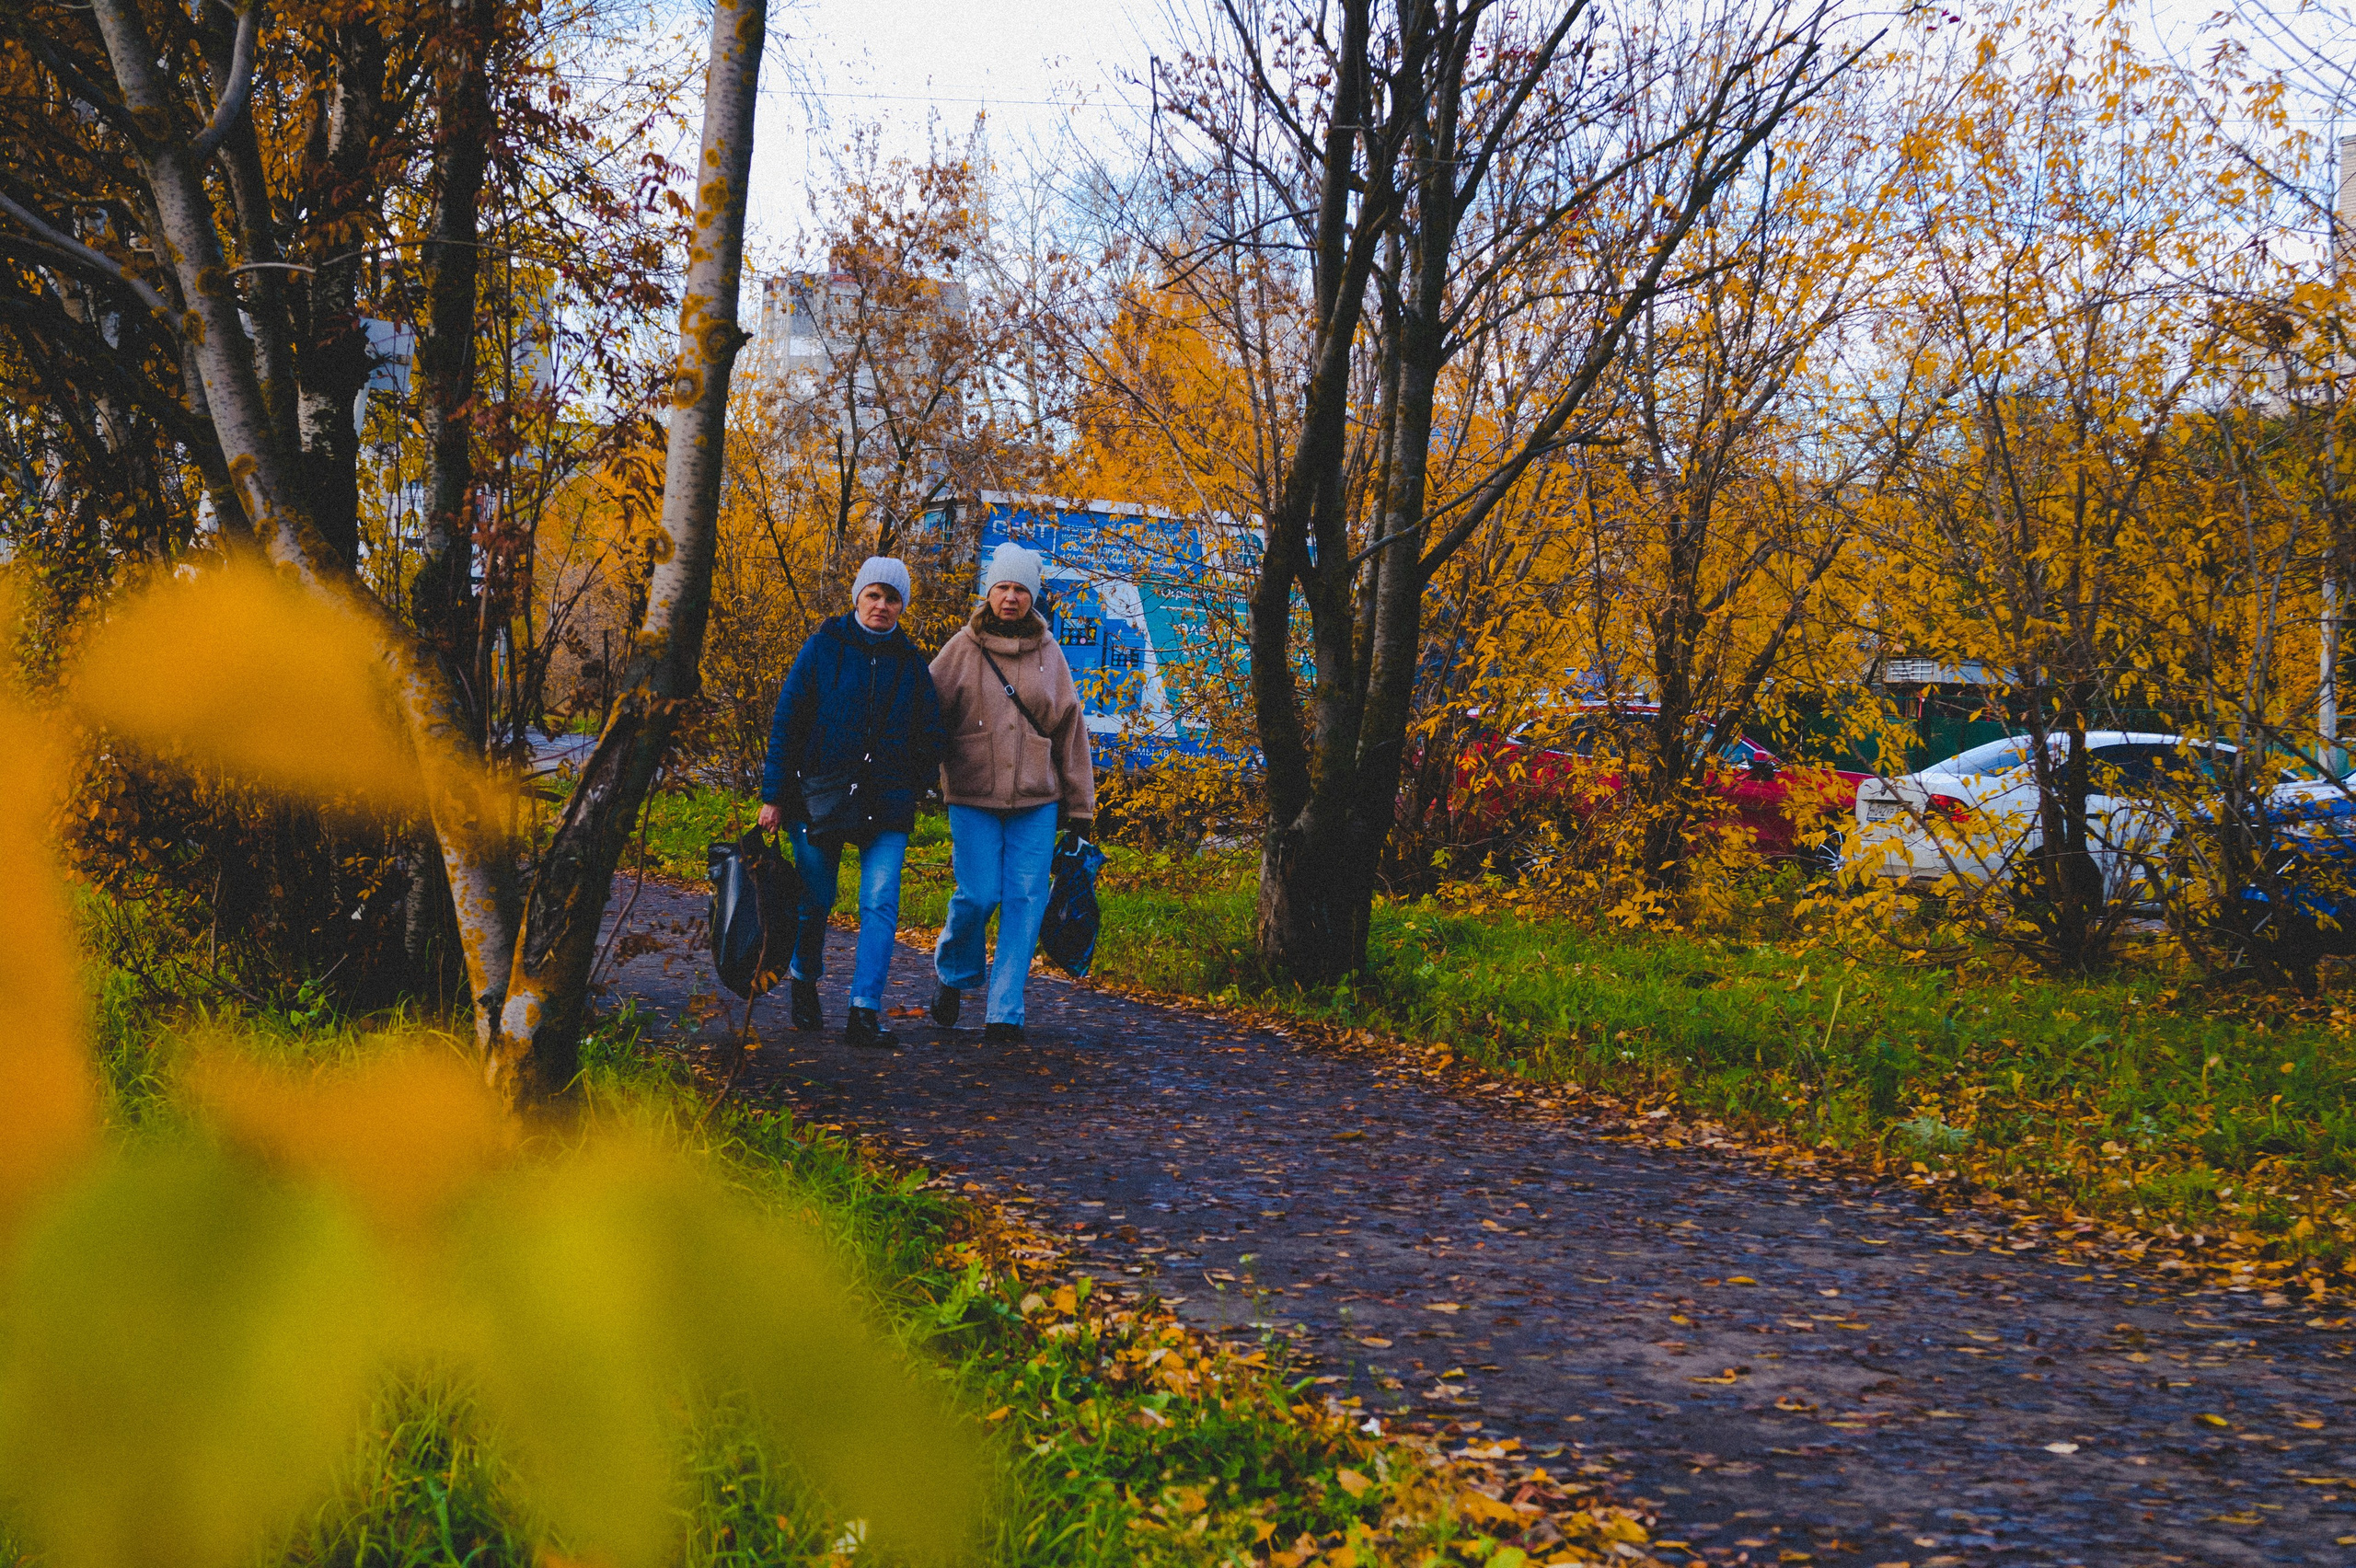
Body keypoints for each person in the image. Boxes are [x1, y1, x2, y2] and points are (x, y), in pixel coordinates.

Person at [757, 557, 943, 1048]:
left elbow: (931, 733)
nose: (882, 606)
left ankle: (864, 1009)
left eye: (892, 598)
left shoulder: (911, 663)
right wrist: (774, 796)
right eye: (874, 595)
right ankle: (804, 975)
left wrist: (917, 784)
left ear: (903, 604)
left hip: (887, 805)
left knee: (880, 902)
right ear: (857, 597)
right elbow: (788, 721)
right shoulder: (823, 648)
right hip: (818, 798)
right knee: (814, 902)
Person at [927, 541, 1096, 1044]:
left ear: (1033, 596)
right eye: (1002, 586)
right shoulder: (961, 649)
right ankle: (954, 972)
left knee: (1026, 899)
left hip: (1036, 801)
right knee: (978, 895)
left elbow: (1070, 727)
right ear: (988, 591)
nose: (1010, 597)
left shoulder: (1051, 653)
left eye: (1021, 589)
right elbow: (925, 716)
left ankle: (1005, 1009)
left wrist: (1079, 805)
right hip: (973, 795)